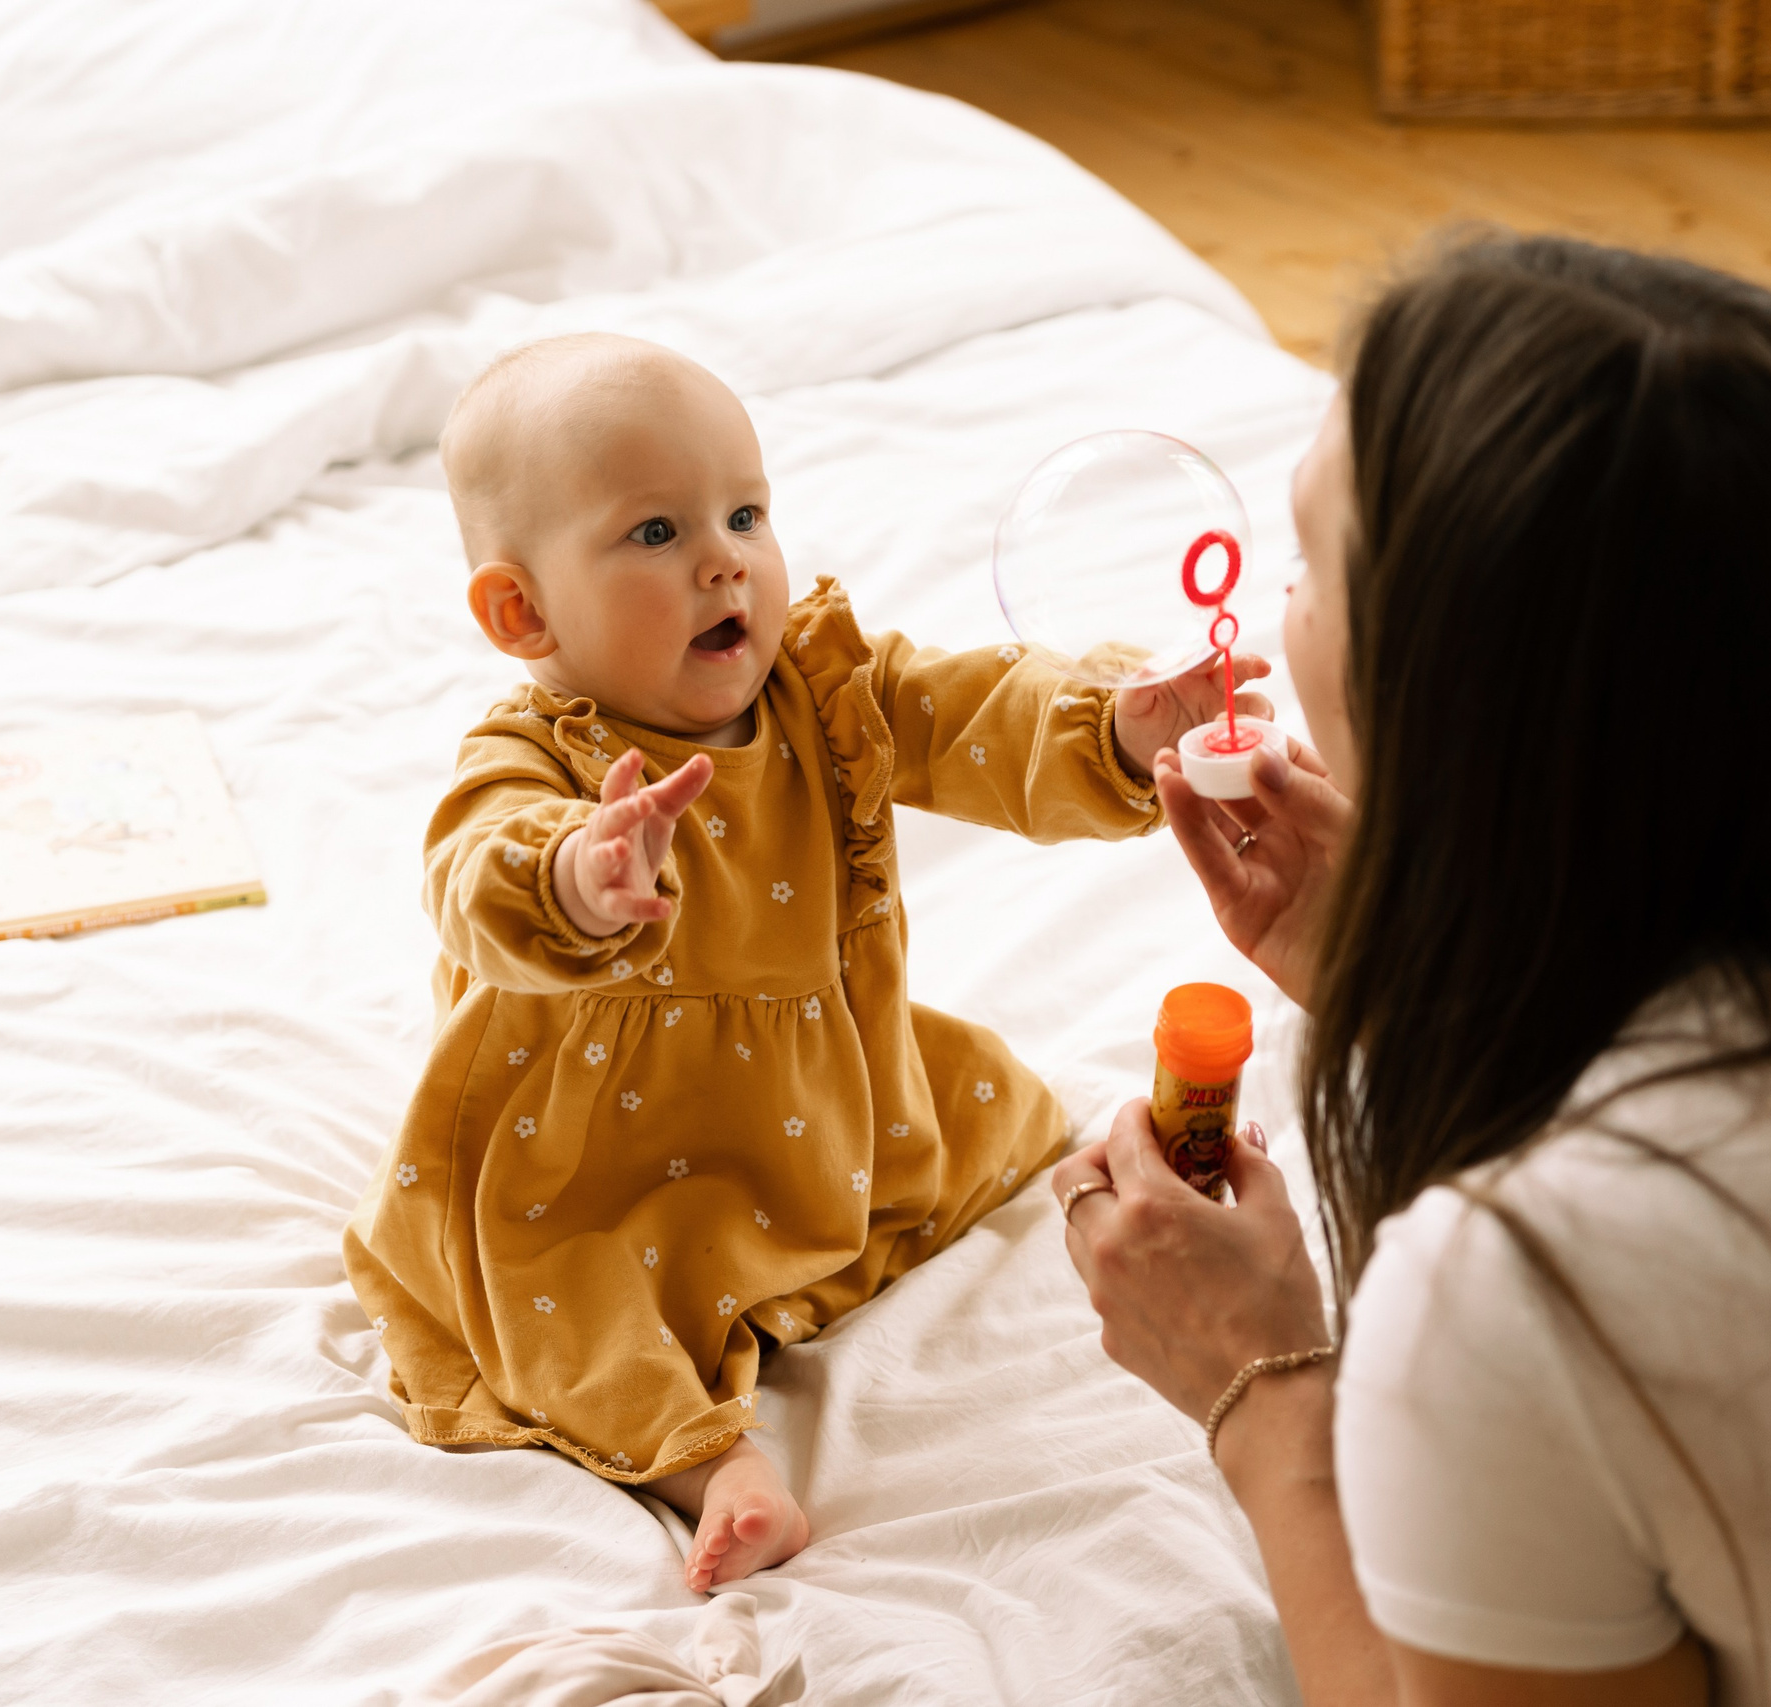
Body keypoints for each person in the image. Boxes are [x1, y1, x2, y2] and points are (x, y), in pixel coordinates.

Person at [1054, 236, 1771, 1706]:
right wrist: (1418, 970)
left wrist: (1262, 1392)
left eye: (1311, 574)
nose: (1277, 614)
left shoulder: (1520, 1293)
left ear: (1457, 704)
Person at [342, 333, 1266, 1594]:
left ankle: (834, 1221)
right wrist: (574, 875)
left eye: (742, 512)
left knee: (996, 1108)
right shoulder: (537, 759)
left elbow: (978, 714)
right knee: (574, 1320)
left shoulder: (826, 689)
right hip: (599, 1147)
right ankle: (714, 1470)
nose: (724, 557)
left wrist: (1115, 724)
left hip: (825, 1100)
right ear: (522, 611)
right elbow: (471, 871)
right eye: (654, 534)